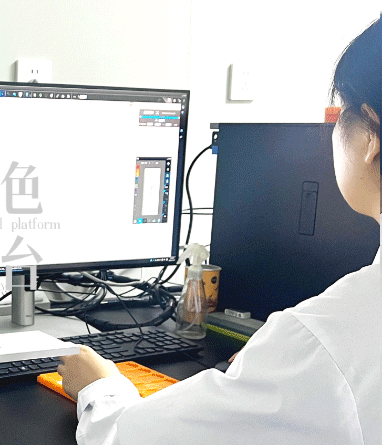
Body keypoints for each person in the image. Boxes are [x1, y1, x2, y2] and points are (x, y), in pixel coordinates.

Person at [58, 17, 381, 445]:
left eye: (339, 116)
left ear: (370, 135)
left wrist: (100, 387)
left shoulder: (325, 343)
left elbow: (128, 438)